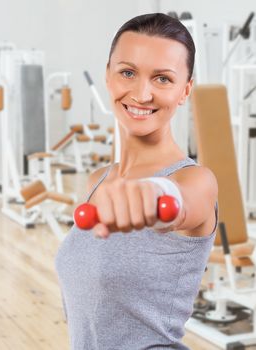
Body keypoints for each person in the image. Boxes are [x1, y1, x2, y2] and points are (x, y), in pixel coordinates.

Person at [55, 13, 218, 350]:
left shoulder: (196, 180)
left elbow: (180, 202)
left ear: (184, 90)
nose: (142, 94)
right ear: (108, 76)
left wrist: (154, 193)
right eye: (128, 73)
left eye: (162, 79)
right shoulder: (97, 181)